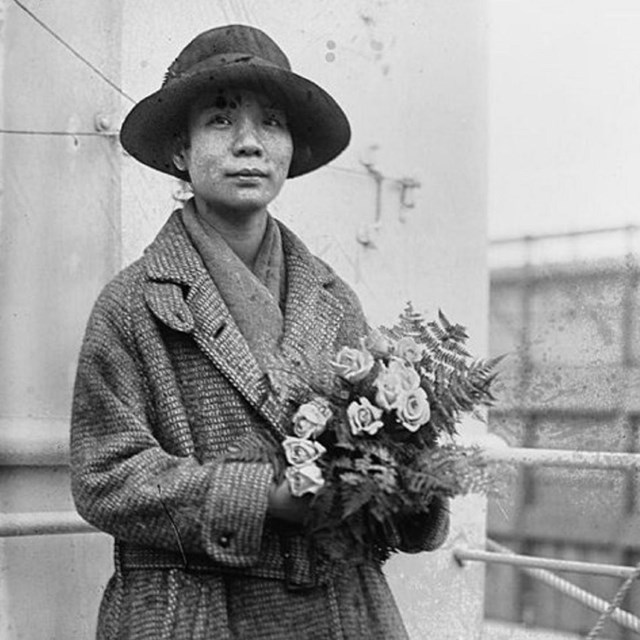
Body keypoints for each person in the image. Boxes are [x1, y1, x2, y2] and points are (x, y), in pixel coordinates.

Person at [70, 24, 449, 639]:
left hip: (337, 610)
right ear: (180, 152)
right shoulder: (132, 304)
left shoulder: (332, 299)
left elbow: (382, 453)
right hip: (192, 613)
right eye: (220, 122)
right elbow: (103, 479)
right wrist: (259, 497)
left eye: (271, 123)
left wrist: (414, 478)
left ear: (290, 150)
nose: (250, 143)